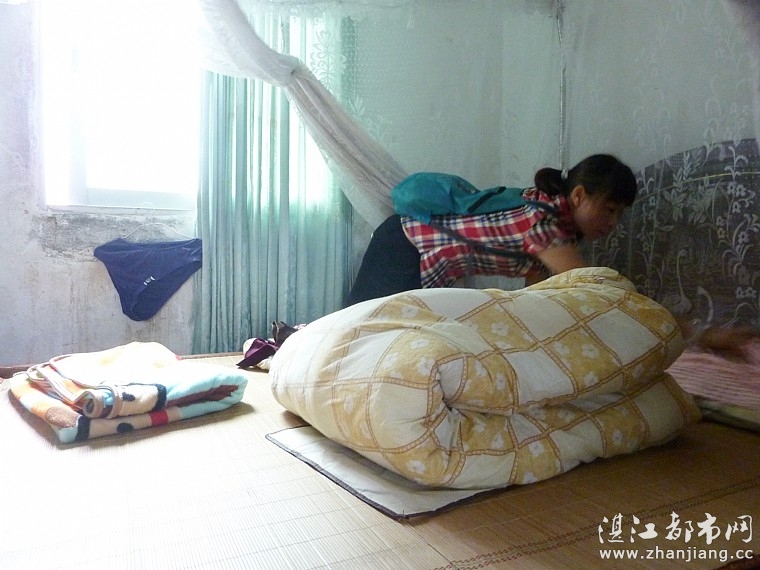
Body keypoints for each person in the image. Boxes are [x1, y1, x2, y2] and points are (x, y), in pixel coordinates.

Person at [346, 154, 637, 306]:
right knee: (361, 331)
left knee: (378, 334)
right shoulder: (547, 221)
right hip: (406, 245)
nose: (613, 222)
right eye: (609, 209)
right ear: (579, 196)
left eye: (620, 214)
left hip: (409, 246)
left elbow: (534, 298)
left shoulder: (548, 216)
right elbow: (586, 283)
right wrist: (635, 308)